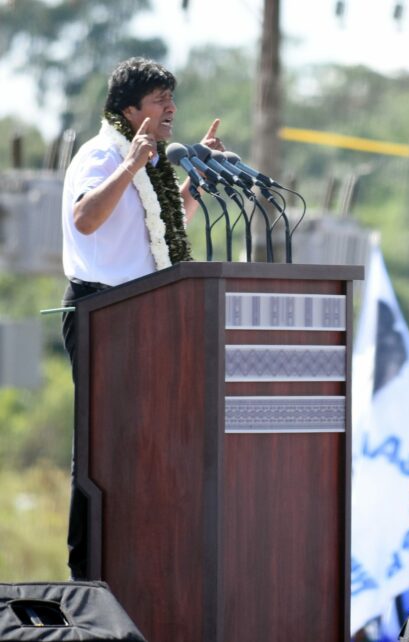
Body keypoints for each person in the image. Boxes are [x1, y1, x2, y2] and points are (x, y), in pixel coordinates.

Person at [61, 57, 225, 580]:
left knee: (141, 440)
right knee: (100, 443)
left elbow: (153, 233)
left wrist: (195, 181)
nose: (171, 108)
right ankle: (86, 574)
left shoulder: (147, 159)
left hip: (143, 311)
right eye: (159, 100)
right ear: (129, 110)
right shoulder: (101, 154)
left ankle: (134, 559)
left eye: (171, 98)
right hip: (100, 310)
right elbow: (86, 219)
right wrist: (129, 166)